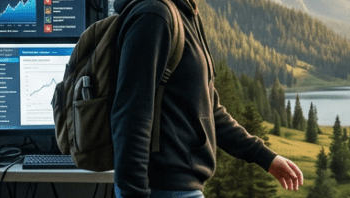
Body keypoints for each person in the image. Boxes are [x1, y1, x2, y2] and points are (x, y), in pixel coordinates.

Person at [110, 0, 303, 197]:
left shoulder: (186, 13)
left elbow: (209, 110)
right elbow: (131, 114)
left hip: (182, 188)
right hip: (163, 188)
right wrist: (133, 193)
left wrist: (265, 157)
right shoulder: (154, 15)